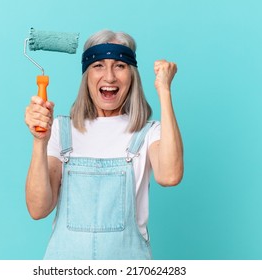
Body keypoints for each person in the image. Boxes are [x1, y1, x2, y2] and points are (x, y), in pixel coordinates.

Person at [24, 30, 184, 260]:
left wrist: (164, 91)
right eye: (98, 65)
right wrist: (40, 142)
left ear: (132, 75)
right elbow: (38, 209)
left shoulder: (149, 133)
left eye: (120, 65)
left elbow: (170, 176)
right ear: (86, 75)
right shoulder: (60, 130)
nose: (109, 77)